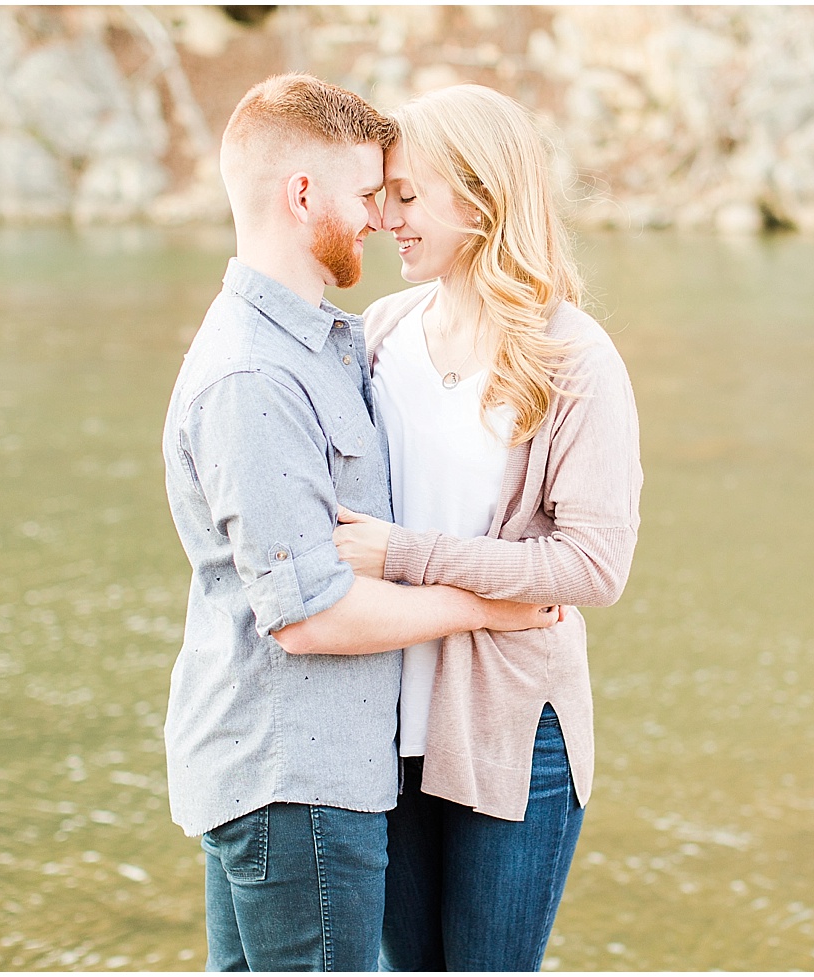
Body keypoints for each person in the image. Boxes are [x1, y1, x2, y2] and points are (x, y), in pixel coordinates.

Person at [160, 73, 559, 973]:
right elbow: (310, 616)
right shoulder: (256, 377)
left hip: (306, 781)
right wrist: (491, 606)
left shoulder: (333, 345)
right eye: (366, 192)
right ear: (302, 195)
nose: (382, 217)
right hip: (295, 786)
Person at [331, 84, 643, 972]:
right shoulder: (380, 333)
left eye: (407, 195)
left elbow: (593, 566)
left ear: (478, 199)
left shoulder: (574, 359)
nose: (386, 216)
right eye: (383, 195)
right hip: (385, 721)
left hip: (514, 728)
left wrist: (404, 555)